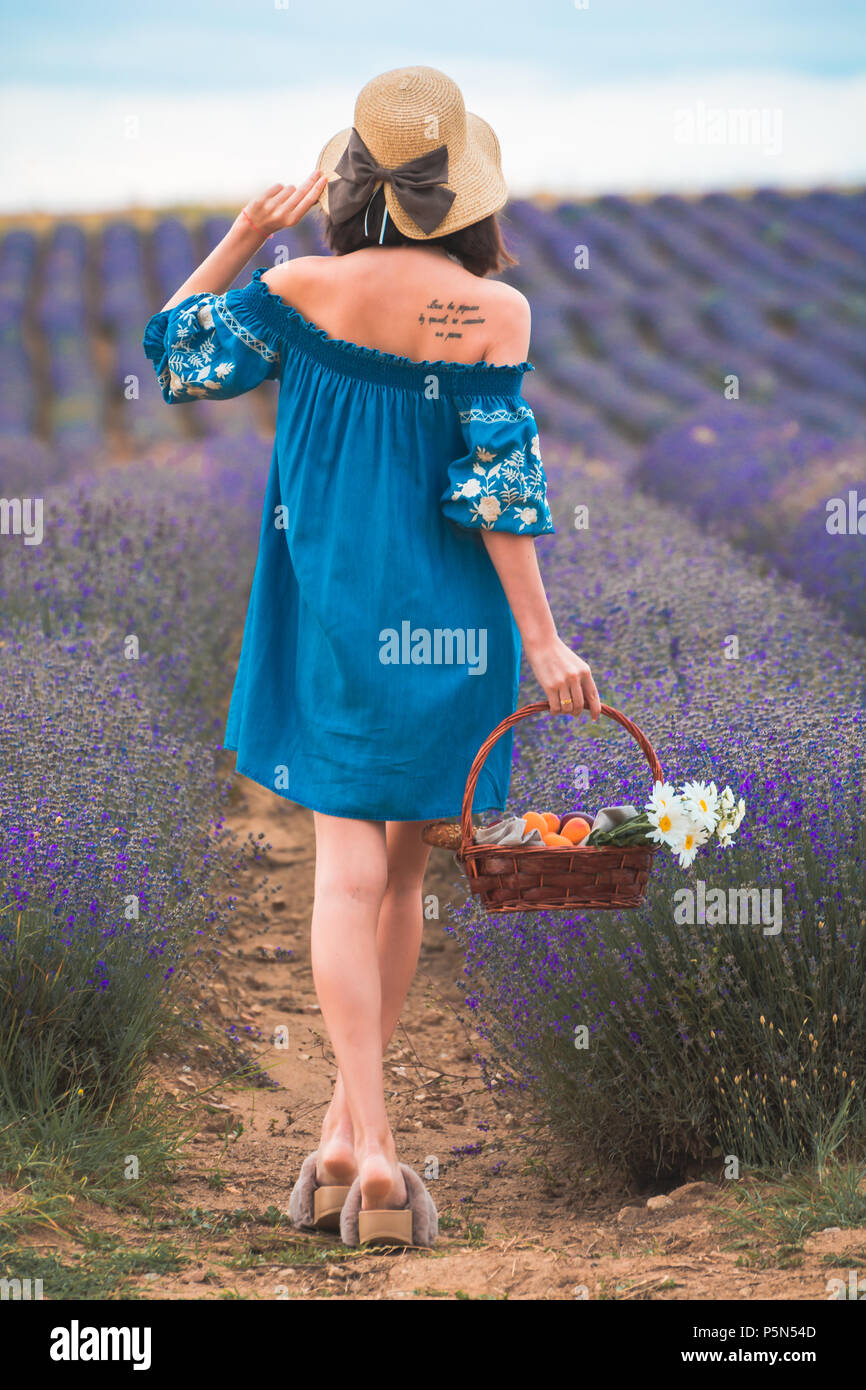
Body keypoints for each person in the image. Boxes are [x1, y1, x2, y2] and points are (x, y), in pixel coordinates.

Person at [143, 64, 600, 1250]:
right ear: (467, 199)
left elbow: (180, 360)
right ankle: (358, 1140)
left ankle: (368, 1143)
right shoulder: (494, 315)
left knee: (344, 877)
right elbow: (499, 492)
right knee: (401, 879)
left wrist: (245, 234)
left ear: (350, 183)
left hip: (331, 608)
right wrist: (542, 639)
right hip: (457, 625)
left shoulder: (297, 287)